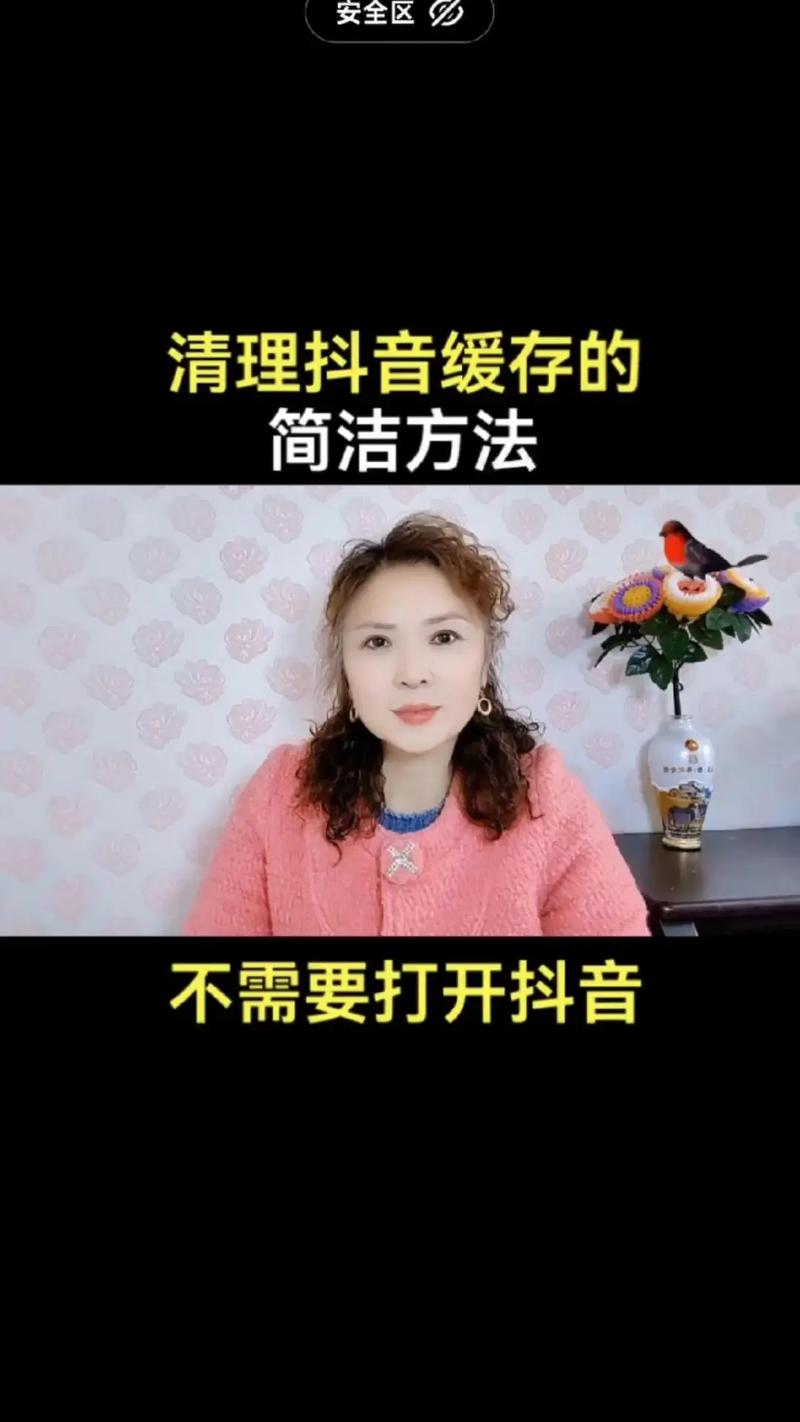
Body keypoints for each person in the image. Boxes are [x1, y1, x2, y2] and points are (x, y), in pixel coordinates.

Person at [182, 512, 649, 936]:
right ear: (346, 672)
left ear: (484, 663)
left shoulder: (545, 799)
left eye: (443, 637)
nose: (412, 673)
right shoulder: (281, 791)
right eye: (378, 642)